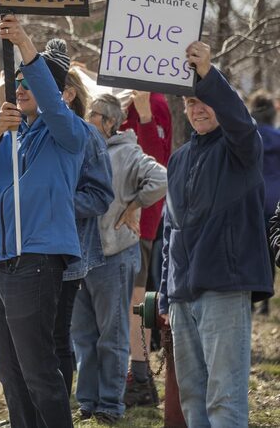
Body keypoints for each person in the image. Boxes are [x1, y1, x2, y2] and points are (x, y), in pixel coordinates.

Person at [0, 48, 114, 398]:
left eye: (31, 81)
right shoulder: (25, 131)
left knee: (53, 347)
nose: (20, 88)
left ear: (64, 92)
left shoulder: (79, 133)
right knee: (20, 364)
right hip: (15, 255)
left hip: (58, 253)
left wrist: (54, 202)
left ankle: (73, 406)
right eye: (17, 82)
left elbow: (99, 195)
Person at [159, 41, 274, 428]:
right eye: (190, 103)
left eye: (203, 101)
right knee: (193, 400)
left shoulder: (241, 148)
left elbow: (240, 120)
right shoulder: (178, 159)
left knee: (224, 401)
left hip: (226, 288)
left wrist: (208, 74)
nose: (197, 109)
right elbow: (170, 231)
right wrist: (165, 293)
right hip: (182, 297)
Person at [72, 93, 167, 424]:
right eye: (89, 113)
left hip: (114, 256)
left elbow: (161, 178)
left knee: (111, 337)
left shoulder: (128, 152)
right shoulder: (81, 148)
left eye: (95, 115)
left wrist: (134, 205)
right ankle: (87, 402)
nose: (89, 119)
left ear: (111, 122)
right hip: (79, 257)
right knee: (83, 336)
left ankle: (110, 406)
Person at [119, 90, 172, 406]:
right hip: (110, 215)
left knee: (137, 298)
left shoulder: (155, 102)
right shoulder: (119, 95)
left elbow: (159, 163)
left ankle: (140, 377)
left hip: (140, 218)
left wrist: (145, 115)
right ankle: (129, 374)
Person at [248, 90, 280, 315]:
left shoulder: (249, 137)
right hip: (275, 200)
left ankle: (249, 298)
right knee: (272, 250)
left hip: (252, 200)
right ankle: (267, 300)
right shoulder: (278, 138)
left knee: (248, 250)